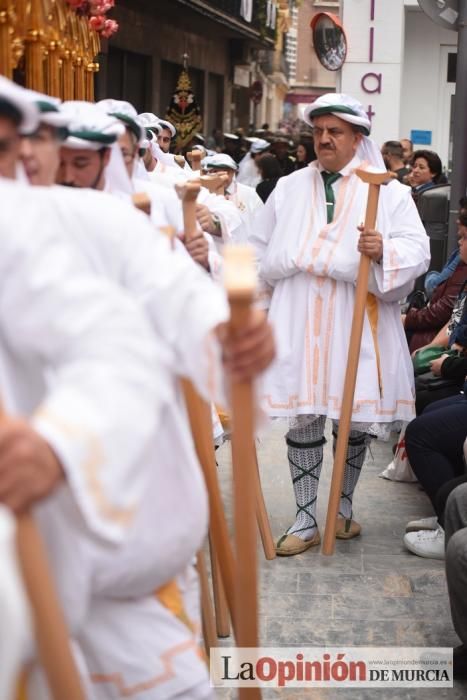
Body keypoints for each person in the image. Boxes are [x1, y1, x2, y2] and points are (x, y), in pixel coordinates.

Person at [251, 92, 430, 556]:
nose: (324, 139)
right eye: (318, 131)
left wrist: (383, 250)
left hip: (357, 317)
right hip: (297, 314)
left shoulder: (390, 192)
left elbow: (418, 250)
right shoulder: (289, 187)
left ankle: (342, 510)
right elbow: (254, 246)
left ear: (357, 138)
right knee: (305, 412)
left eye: (335, 132)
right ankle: (308, 516)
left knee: (351, 420)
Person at [201, 152, 264, 242]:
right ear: (209, 172)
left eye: (226, 171)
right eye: (215, 171)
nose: (221, 175)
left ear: (233, 172)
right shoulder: (204, 194)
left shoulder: (249, 193)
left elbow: (261, 221)